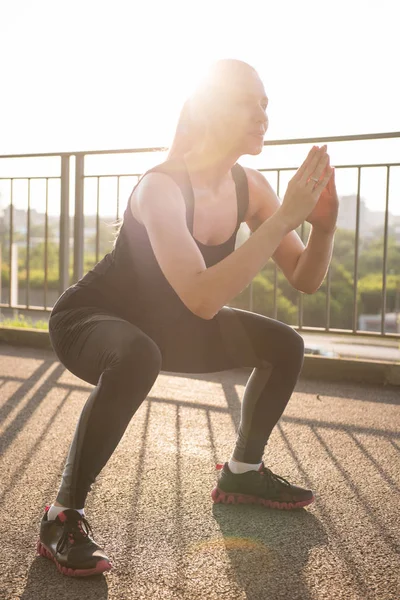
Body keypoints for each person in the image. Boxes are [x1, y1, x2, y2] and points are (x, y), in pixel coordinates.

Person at [37, 58, 339, 577]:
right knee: (138, 355)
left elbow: (305, 279)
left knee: (283, 345)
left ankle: (242, 473)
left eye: (266, 104)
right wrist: (286, 218)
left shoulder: (252, 188)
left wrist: (325, 227)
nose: (263, 114)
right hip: (91, 320)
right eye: (249, 101)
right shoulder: (161, 188)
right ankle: (62, 514)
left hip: (168, 327)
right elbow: (202, 297)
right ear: (211, 108)